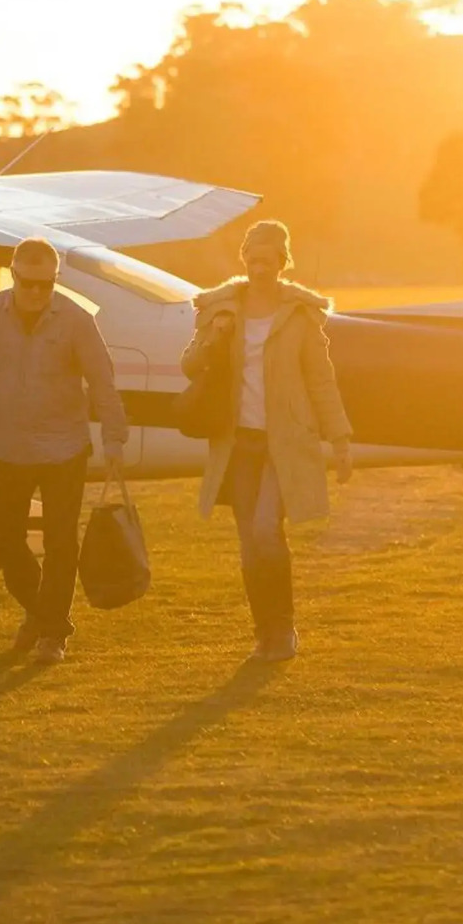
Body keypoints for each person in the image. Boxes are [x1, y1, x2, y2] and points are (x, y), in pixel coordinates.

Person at [0, 238, 128, 663]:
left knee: (61, 541)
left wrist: (114, 437)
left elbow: (102, 381)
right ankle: (45, 615)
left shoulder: (77, 320)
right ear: (12, 275)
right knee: (0, 536)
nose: (35, 292)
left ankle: (51, 634)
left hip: (64, 447)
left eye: (45, 284)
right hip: (7, 444)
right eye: (27, 283)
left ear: (55, 280)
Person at [180, 220, 352, 661]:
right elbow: (190, 365)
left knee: (265, 531)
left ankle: (284, 628)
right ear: (244, 259)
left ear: (282, 262)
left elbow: (321, 378)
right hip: (238, 443)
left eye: (268, 261)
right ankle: (264, 633)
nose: (259, 269)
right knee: (249, 543)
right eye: (253, 260)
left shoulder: (299, 314)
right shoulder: (222, 308)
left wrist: (339, 438)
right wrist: (216, 337)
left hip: (285, 442)